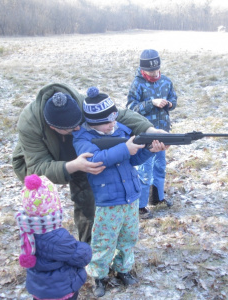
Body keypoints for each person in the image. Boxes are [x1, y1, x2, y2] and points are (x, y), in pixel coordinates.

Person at [12, 83, 165, 244]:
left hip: (85, 154)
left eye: (80, 122)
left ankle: (93, 246)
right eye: (72, 128)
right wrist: (73, 166)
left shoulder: (80, 104)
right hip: (36, 166)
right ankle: (56, 250)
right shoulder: (29, 123)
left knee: (86, 199)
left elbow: (118, 115)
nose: (79, 128)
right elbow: (37, 167)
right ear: (52, 127)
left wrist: (150, 131)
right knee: (41, 212)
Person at [72, 87, 167, 297]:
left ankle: (123, 269)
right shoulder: (82, 139)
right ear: (92, 122)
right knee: (104, 241)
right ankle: (99, 276)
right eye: (107, 122)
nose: (112, 124)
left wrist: (150, 151)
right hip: (107, 200)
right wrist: (125, 148)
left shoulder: (121, 130)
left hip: (130, 196)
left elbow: (133, 159)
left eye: (114, 118)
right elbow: (95, 159)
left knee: (128, 237)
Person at [16, 174, 92, 300]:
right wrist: (84, 247)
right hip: (61, 292)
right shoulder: (58, 238)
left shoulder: (27, 230)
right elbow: (82, 256)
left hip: (38, 291)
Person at [127, 49, 178, 219]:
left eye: (157, 70)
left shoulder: (166, 81)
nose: (154, 73)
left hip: (163, 131)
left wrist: (170, 104)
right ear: (143, 70)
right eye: (150, 71)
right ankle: (140, 206)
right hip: (145, 134)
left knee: (160, 166)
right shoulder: (137, 84)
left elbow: (174, 98)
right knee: (144, 168)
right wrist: (151, 103)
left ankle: (157, 198)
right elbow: (130, 108)